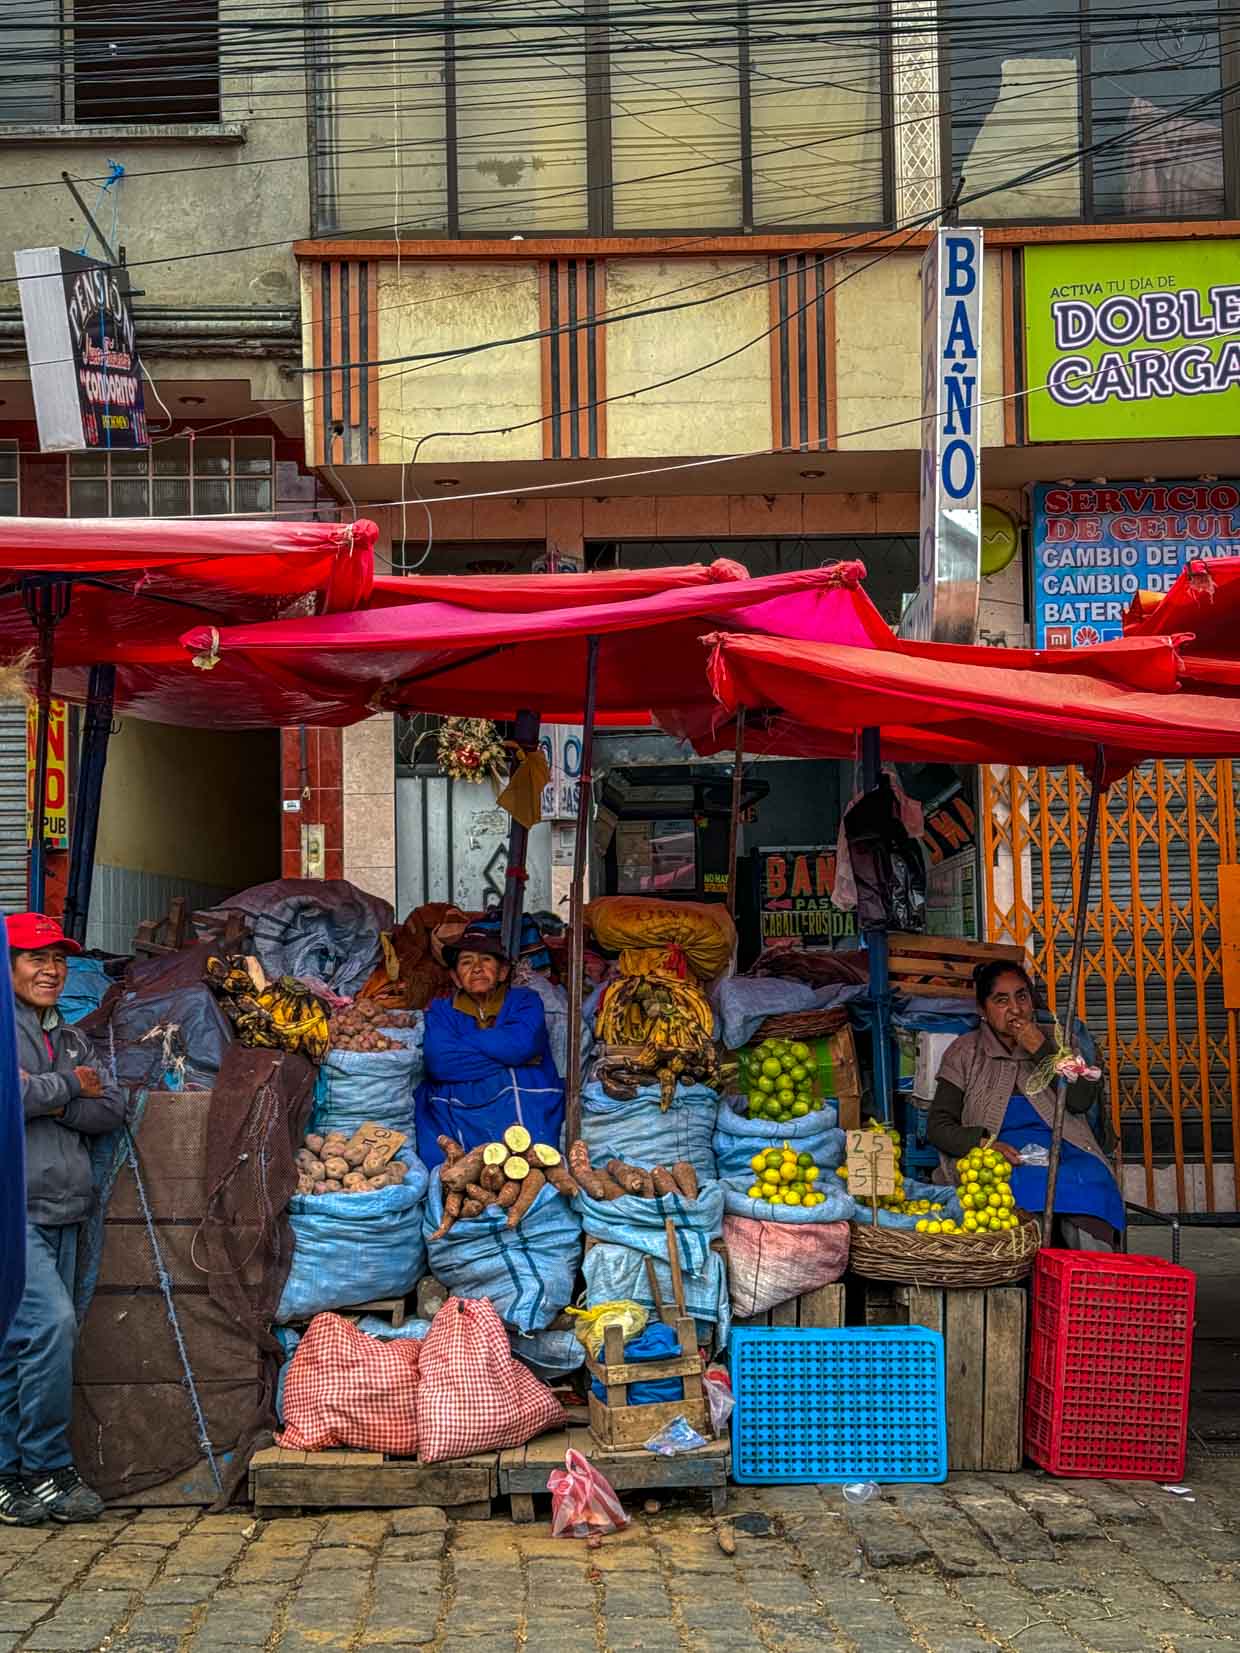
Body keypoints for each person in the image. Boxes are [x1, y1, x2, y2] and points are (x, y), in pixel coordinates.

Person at [1, 914, 124, 1526]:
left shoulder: (72, 1037)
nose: (50, 970)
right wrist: (69, 1088)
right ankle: (47, 1468)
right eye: (34, 958)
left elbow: (112, 1109)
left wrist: (53, 1095)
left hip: (67, 1209)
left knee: (18, 1346)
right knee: (51, 1328)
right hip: (14, 1212)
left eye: (58, 959)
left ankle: (7, 1477)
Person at [927, 961, 1124, 1250]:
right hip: (1004, 1157)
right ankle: (1029, 1277)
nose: (1015, 1009)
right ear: (983, 1010)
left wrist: (1042, 1051)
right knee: (1013, 1189)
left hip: (1066, 1149)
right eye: (1001, 1000)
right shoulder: (965, 1052)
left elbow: (1081, 1100)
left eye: (1021, 996)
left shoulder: (1061, 1041)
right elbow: (938, 1126)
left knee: (1091, 1183)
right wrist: (983, 1144)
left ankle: (1089, 1281)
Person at [414, 924, 564, 1171]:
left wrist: (464, 1046)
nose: (476, 968)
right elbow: (440, 1062)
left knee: (531, 1151)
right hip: (461, 1102)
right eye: (466, 963)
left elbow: (521, 1045)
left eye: (486, 960)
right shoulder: (442, 1009)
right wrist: (510, 1056)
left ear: (503, 971)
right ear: (455, 977)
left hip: (523, 1094)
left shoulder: (525, 1000)